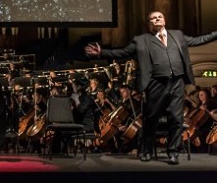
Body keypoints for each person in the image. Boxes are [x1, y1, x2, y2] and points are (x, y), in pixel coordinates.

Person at [85, 11, 217, 164]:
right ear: (149, 24)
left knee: (175, 119)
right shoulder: (142, 40)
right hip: (155, 84)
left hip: (176, 83)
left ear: (164, 20)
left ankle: (173, 152)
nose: (157, 19)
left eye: (159, 17)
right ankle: (146, 151)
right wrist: (102, 52)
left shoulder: (178, 36)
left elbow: (198, 40)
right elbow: (122, 51)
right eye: (153, 18)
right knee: (150, 120)